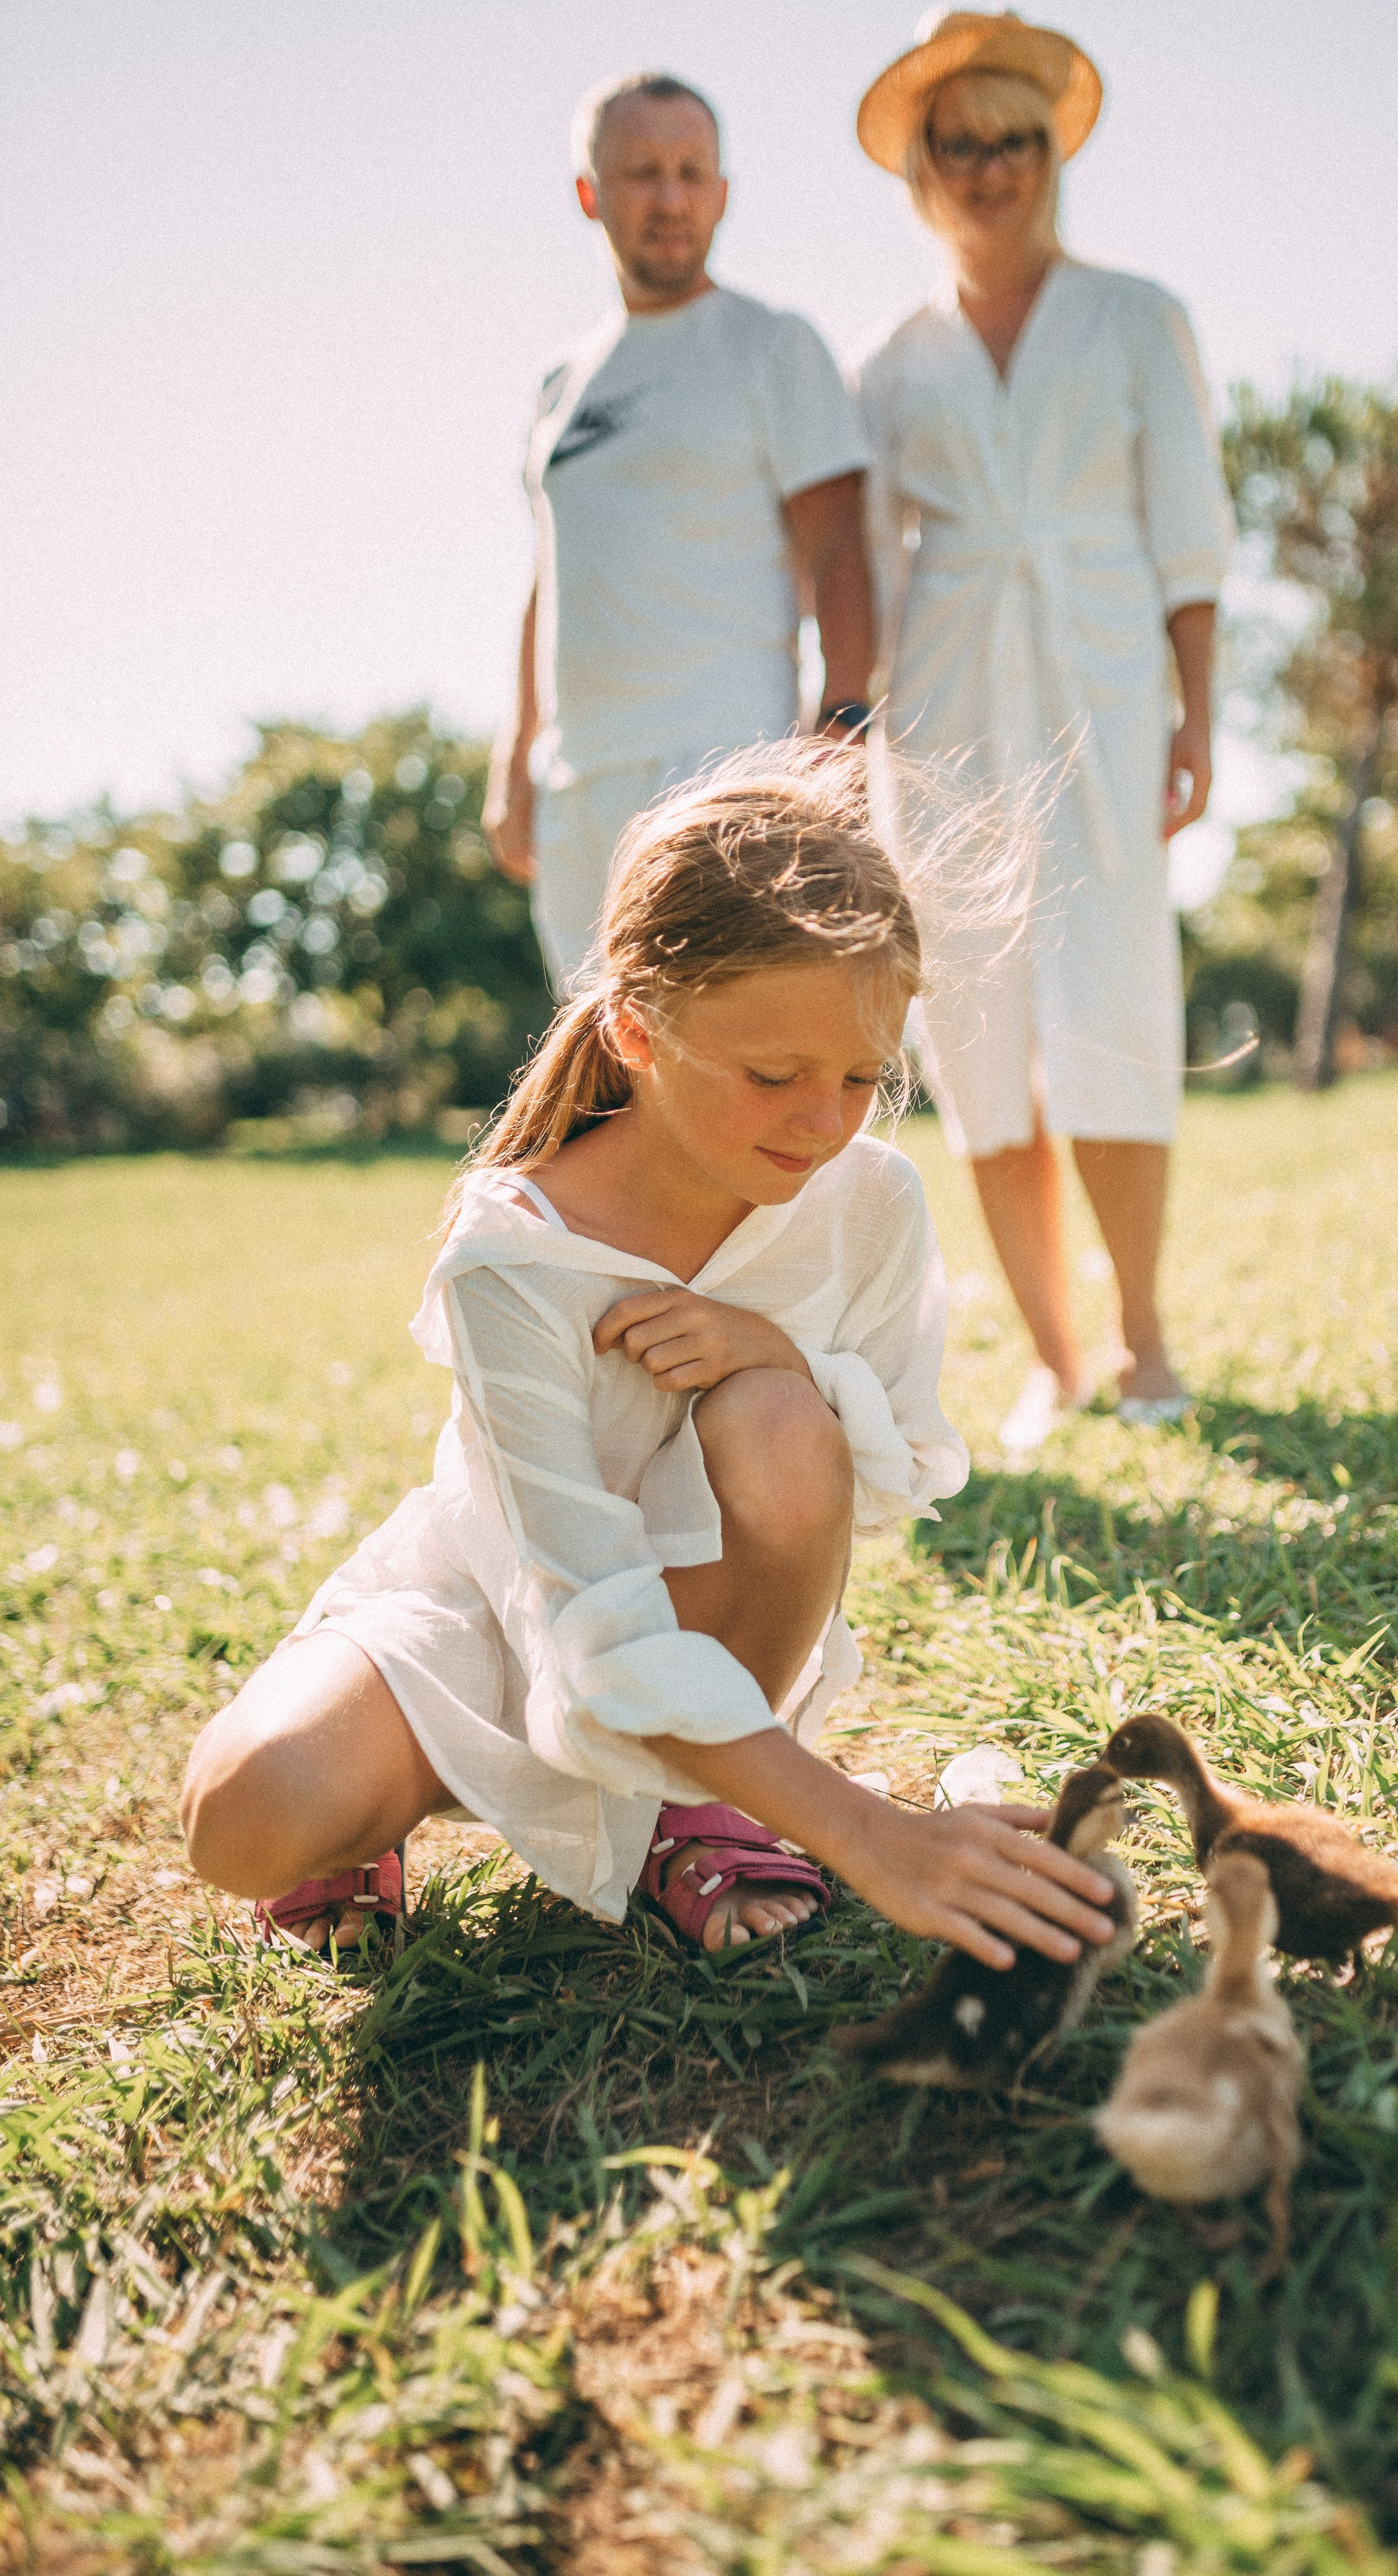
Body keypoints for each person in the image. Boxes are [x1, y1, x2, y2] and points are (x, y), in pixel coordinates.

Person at [180, 745, 1121, 1975]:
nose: (825, 1122)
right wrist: (866, 1831)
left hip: (716, 1618)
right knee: (242, 1819)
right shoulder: (515, 1251)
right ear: (636, 1027)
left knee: (786, 1422)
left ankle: (699, 1800)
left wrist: (773, 1355)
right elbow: (583, 1614)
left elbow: (895, 1468)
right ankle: (382, 1810)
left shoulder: (869, 1199)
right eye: (775, 1076)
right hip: (505, 1602)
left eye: (862, 1077)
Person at [855, 13, 1235, 1452]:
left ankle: (1142, 1342)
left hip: (1102, 698)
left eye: (1013, 141)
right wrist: (850, 747)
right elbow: (866, 577)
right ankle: (1052, 1358)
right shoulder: (886, 368)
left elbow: (1187, 537)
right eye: (958, 146)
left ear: (1049, 154)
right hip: (941, 719)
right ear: (921, 173)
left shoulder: (1137, 318)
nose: (988, 169)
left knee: (1115, 1003)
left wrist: (1196, 711)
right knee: (977, 1027)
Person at [483, 72, 877, 991]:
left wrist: (846, 727)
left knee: (726, 1060)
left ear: (723, 195)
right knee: (606, 1078)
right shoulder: (560, 384)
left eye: (691, 172)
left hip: (727, 765)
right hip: (582, 785)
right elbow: (551, 572)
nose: (669, 197)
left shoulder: (771, 345)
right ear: (590, 193)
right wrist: (516, 755)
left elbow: (840, 547)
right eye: (641, 173)